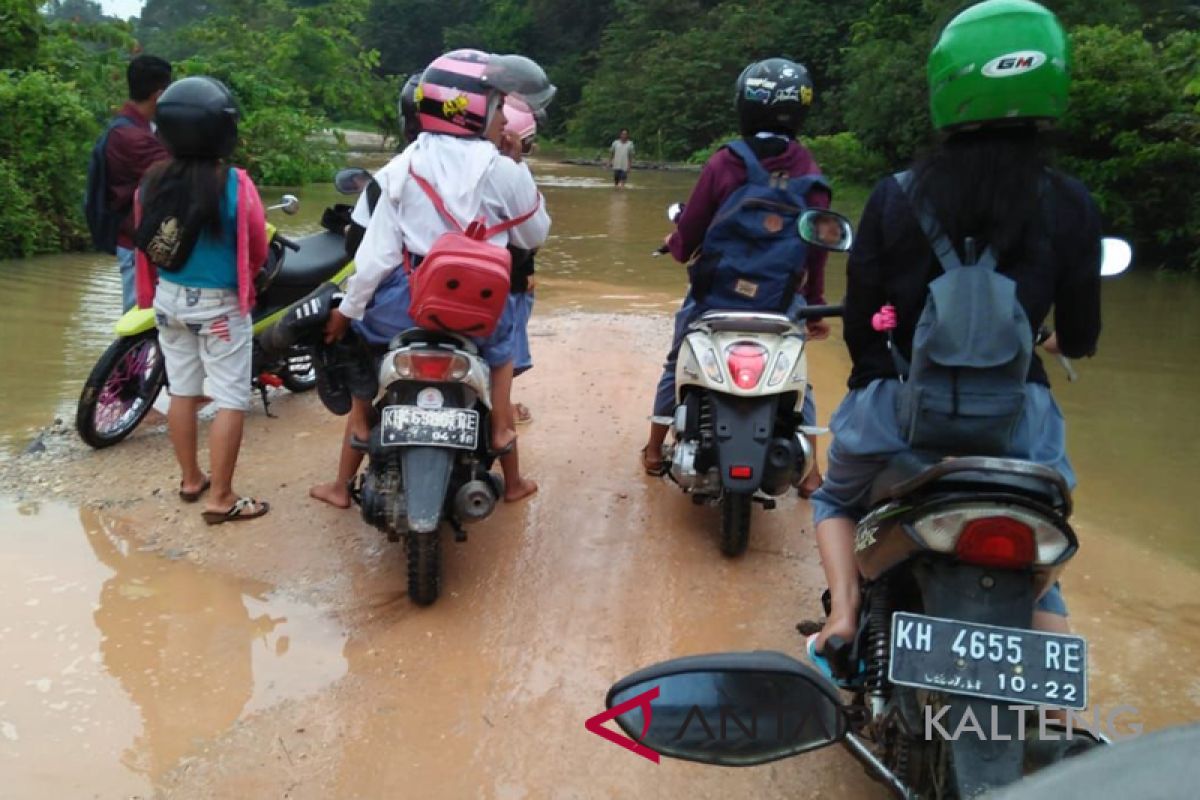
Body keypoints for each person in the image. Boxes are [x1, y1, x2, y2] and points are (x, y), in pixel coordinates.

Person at [810, 0, 1101, 657]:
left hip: (902, 411)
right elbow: (1080, 336)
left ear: (948, 85)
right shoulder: (1072, 203)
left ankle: (844, 619)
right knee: (1037, 530)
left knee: (832, 499)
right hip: (1020, 423)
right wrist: (1044, 337)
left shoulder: (895, 196)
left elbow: (863, 324)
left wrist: (879, 383)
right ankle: (1054, 703)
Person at [312, 49, 555, 508]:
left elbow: (376, 256)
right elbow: (533, 233)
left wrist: (347, 313)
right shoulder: (503, 170)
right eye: (499, 105)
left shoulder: (400, 168)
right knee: (501, 358)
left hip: (409, 302)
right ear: (472, 107)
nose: (505, 116)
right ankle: (508, 452)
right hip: (482, 310)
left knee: (366, 352)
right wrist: (518, 167)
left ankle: (346, 471)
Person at [641, 57, 831, 500]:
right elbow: (817, 251)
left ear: (744, 105)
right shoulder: (812, 173)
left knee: (678, 364)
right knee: (797, 376)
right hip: (781, 304)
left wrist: (677, 247)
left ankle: (653, 452)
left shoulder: (725, 162)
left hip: (714, 300)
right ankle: (812, 475)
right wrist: (814, 306)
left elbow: (688, 238)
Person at [134, 76, 270, 524]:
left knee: (182, 391)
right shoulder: (235, 183)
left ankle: (192, 480)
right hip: (220, 308)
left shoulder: (150, 183)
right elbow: (257, 244)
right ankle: (222, 498)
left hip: (169, 301)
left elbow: (147, 245)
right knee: (231, 398)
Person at [107, 54, 172, 311]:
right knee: (139, 328)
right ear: (159, 94)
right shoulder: (133, 137)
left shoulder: (138, 127)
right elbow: (175, 175)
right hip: (138, 248)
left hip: (141, 243)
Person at [503, 101, 543, 425]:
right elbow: (534, 233)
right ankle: (502, 408)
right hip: (506, 274)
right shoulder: (514, 172)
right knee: (506, 345)